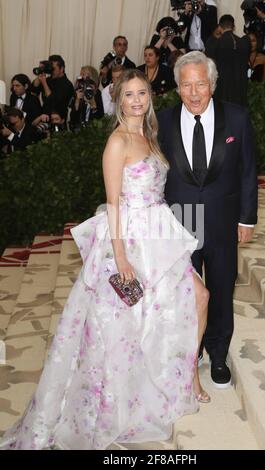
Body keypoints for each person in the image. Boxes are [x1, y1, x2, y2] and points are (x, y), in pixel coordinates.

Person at [0, 69, 210, 451]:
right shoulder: (116, 142)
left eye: (141, 93)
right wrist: (121, 256)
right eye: (128, 94)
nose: (135, 100)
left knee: (195, 297)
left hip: (158, 230)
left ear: (149, 96)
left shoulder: (148, 134)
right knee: (120, 328)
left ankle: (180, 374)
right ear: (118, 99)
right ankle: (117, 403)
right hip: (129, 237)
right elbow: (113, 203)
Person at [157, 51, 258, 389]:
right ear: (177, 88)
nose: (195, 92)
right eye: (187, 85)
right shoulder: (163, 121)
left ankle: (217, 353)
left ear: (213, 84)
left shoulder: (238, 118)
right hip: (180, 220)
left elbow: (247, 172)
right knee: (184, 291)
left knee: (220, 287)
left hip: (222, 219)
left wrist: (247, 219)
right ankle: (191, 348)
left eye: (201, 83)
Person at [206, 15, 251, 106]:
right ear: (233, 26)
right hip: (240, 84)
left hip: (222, 86)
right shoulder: (244, 42)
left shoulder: (215, 43)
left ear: (219, 27)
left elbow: (210, 62)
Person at [32, 55, 74, 119]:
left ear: (62, 69)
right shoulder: (48, 80)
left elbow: (54, 101)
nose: (51, 71)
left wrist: (44, 83)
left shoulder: (67, 84)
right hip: (44, 116)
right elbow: (33, 90)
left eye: (53, 68)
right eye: (50, 68)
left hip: (58, 119)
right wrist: (40, 71)